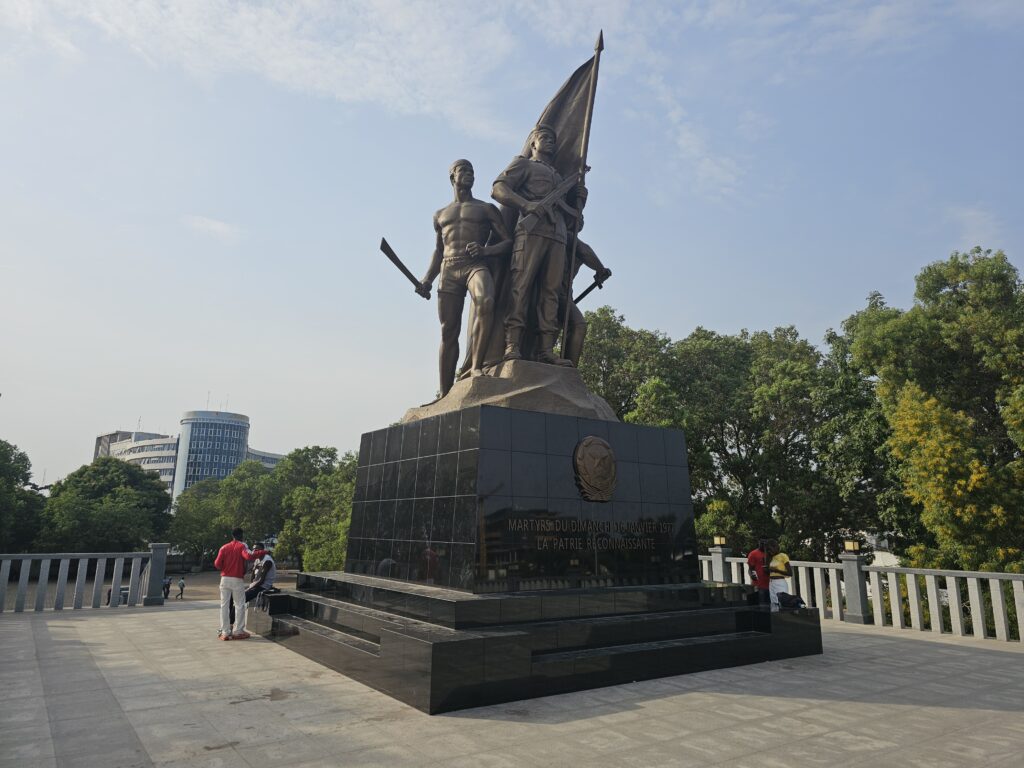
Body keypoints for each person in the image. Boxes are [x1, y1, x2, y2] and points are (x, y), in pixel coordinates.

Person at [418, 159, 512, 396]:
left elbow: (509, 242)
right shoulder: (440, 214)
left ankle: (477, 367)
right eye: (464, 170)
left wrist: (485, 251)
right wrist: (427, 279)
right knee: (448, 330)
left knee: (486, 301)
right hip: (449, 270)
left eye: (472, 171)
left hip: (475, 266)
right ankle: (444, 392)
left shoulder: (486, 209)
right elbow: (439, 251)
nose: (469, 174)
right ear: (453, 177)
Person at [492, 124, 578, 366]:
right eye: (544, 137)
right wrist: (525, 205)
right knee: (522, 286)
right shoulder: (523, 164)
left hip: (557, 235)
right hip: (531, 232)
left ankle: (545, 349)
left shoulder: (561, 177)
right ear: (533, 143)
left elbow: (573, 221)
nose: (550, 141)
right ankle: (512, 345)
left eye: (553, 138)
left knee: (550, 292)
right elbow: (498, 189)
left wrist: (578, 202)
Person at [558, 187, 611, 367]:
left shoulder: (573, 241)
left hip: (564, 294)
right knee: (578, 325)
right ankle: (568, 370)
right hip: (553, 293)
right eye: (577, 218)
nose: (579, 222)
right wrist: (600, 269)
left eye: (581, 220)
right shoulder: (564, 236)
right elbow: (584, 251)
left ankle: (563, 367)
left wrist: (600, 270)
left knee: (567, 328)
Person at [213, 528, 265, 641]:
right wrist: (264, 552)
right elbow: (248, 556)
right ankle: (238, 631)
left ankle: (225, 632)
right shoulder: (242, 546)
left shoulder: (224, 547)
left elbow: (217, 564)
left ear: (232, 536)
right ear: (241, 535)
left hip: (224, 579)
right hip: (237, 579)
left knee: (224, 606)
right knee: (239, 604)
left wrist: (225, 568)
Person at [767, 539, 792, 611]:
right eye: (768, 550)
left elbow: (790, 573)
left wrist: (776, 570)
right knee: (774, 604)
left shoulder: (783, 556)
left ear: (775, 547)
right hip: (771, 583)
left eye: (770, 549)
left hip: (780, 582)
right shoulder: (771, 557)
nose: (769, 551)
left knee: (782, 603)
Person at [746, 539, 770, 606]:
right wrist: (751, 575)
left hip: (771, 584)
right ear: (758, 543)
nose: (763, 545)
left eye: (765, 543)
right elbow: (750, 569)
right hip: (759, 585)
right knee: (761, 604)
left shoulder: (771, 553)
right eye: (762, 543)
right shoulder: (753, 554)